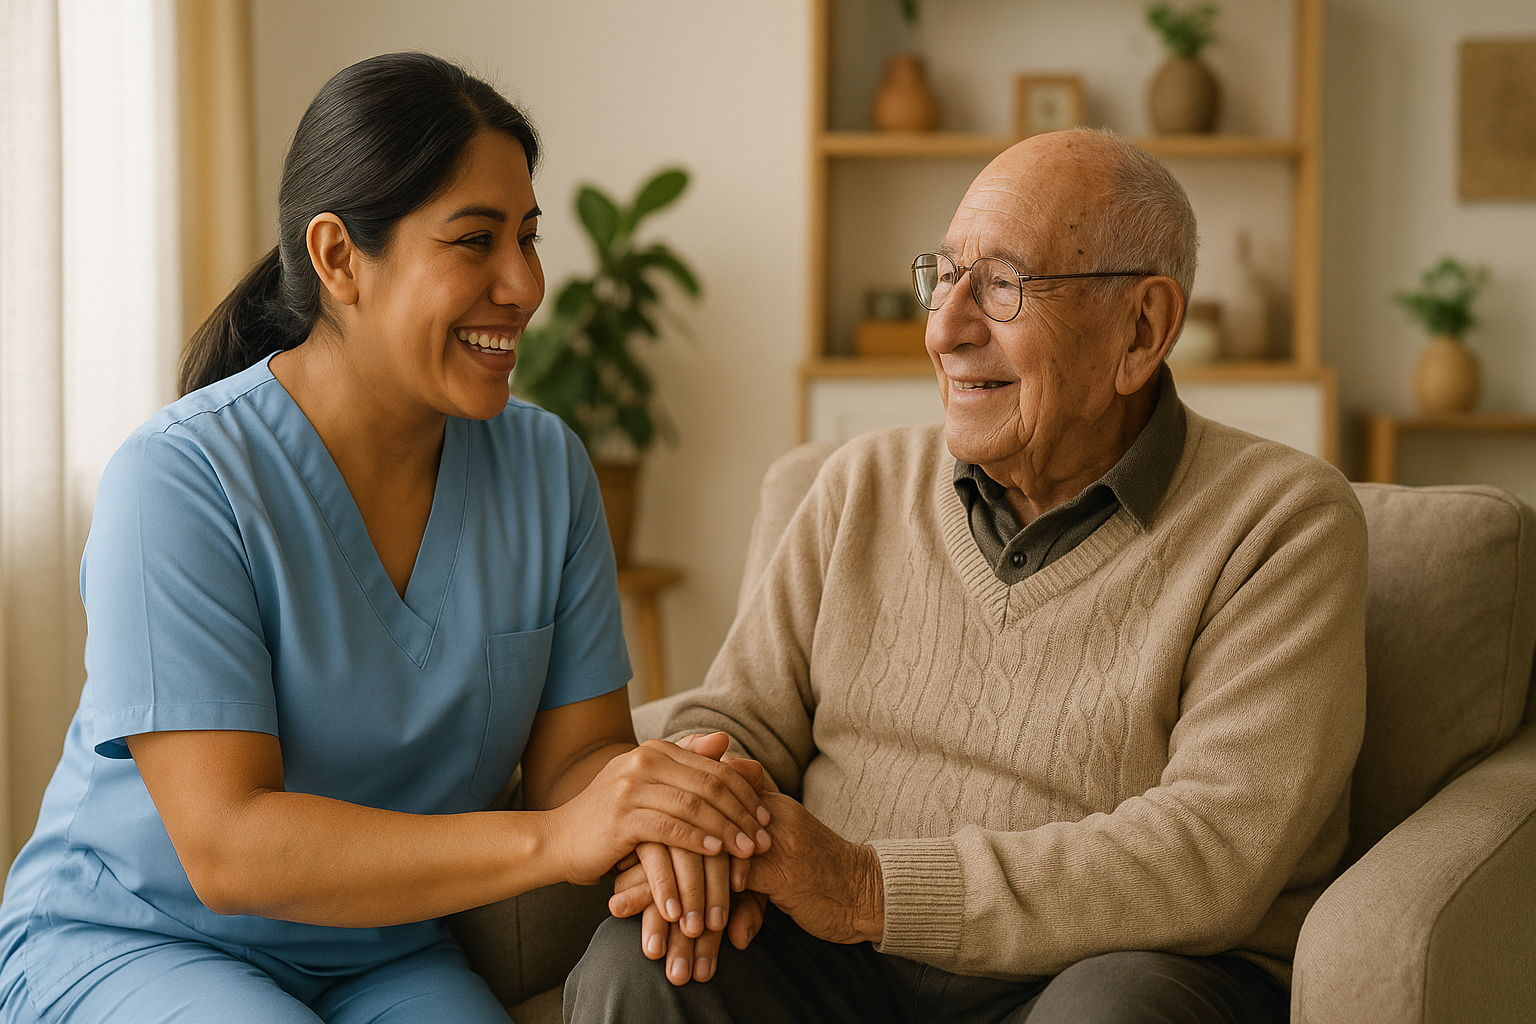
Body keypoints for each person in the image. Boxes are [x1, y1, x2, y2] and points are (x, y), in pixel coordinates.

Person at [0, 52, 771, 1024]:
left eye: (528, 237)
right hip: (139, 935)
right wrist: (556, 839)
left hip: (382, 948)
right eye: (475, 240)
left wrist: (668, 807)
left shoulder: (546, 469)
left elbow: (579, 762)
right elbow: (229, 848)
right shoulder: (179, 481)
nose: (525, 283)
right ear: (338, 259)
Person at [566, 128, 1368, 1024]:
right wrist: (699, 825)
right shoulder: (860, 484)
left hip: (1101, 973)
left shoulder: (1281, 522)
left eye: (1002, 286)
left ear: (1142, 329)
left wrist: (865, 886)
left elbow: (1210, 851)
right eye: (944, 277)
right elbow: (739, 718)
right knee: (646, 965)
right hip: (843, 965)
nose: (944, 329)